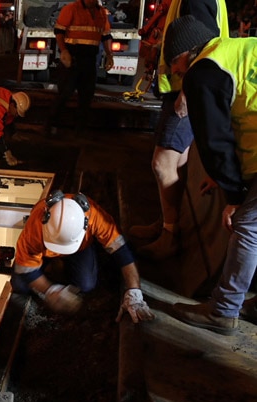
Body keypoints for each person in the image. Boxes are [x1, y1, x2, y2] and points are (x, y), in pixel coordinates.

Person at [164, 16, 257, 335]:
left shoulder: (203, 72)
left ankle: (223, 311)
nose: (175, 73)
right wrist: (228, 180)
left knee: (247, 226)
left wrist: (234, 198)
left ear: (186, 54)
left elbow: (215, 140)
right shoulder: (240, 49)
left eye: (173, 63)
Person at [128, 0, 229, 261]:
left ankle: (170, 235)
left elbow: (201, 47)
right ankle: (168, 223)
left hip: (185, 88)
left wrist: (188, 90)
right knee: (177, 163)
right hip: (181, 87)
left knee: (163, 164)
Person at [11, 190, 154, 323]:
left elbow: (123, 252)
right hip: (44, 250)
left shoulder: (95, 216)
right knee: (19, 286)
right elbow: (26, 269)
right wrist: (50, 290)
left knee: (86, 284)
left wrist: (134, 292)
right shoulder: (34, 227)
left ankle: (59, 267)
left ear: (86, 226)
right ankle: (51, 267)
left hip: (80, 248)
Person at [44, 0, 114, 137]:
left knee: (86, 96)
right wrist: (63, 51)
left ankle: (79, 130)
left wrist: (109, 54)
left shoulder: (101, 13)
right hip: (73, 58)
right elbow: (59, 32)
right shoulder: (71, 9)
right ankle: (50, 124)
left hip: (89, 60)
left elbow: (106, 35)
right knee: (64, 93)